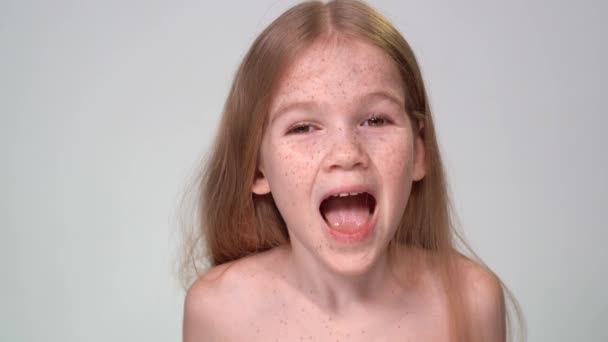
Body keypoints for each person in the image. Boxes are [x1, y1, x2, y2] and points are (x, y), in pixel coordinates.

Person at [180, 0, 524, 341]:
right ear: (256, 169)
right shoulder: (218, 310)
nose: (346, 153)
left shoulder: (472, 301)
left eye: (375, 120)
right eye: (303, 128)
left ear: (420, 151)